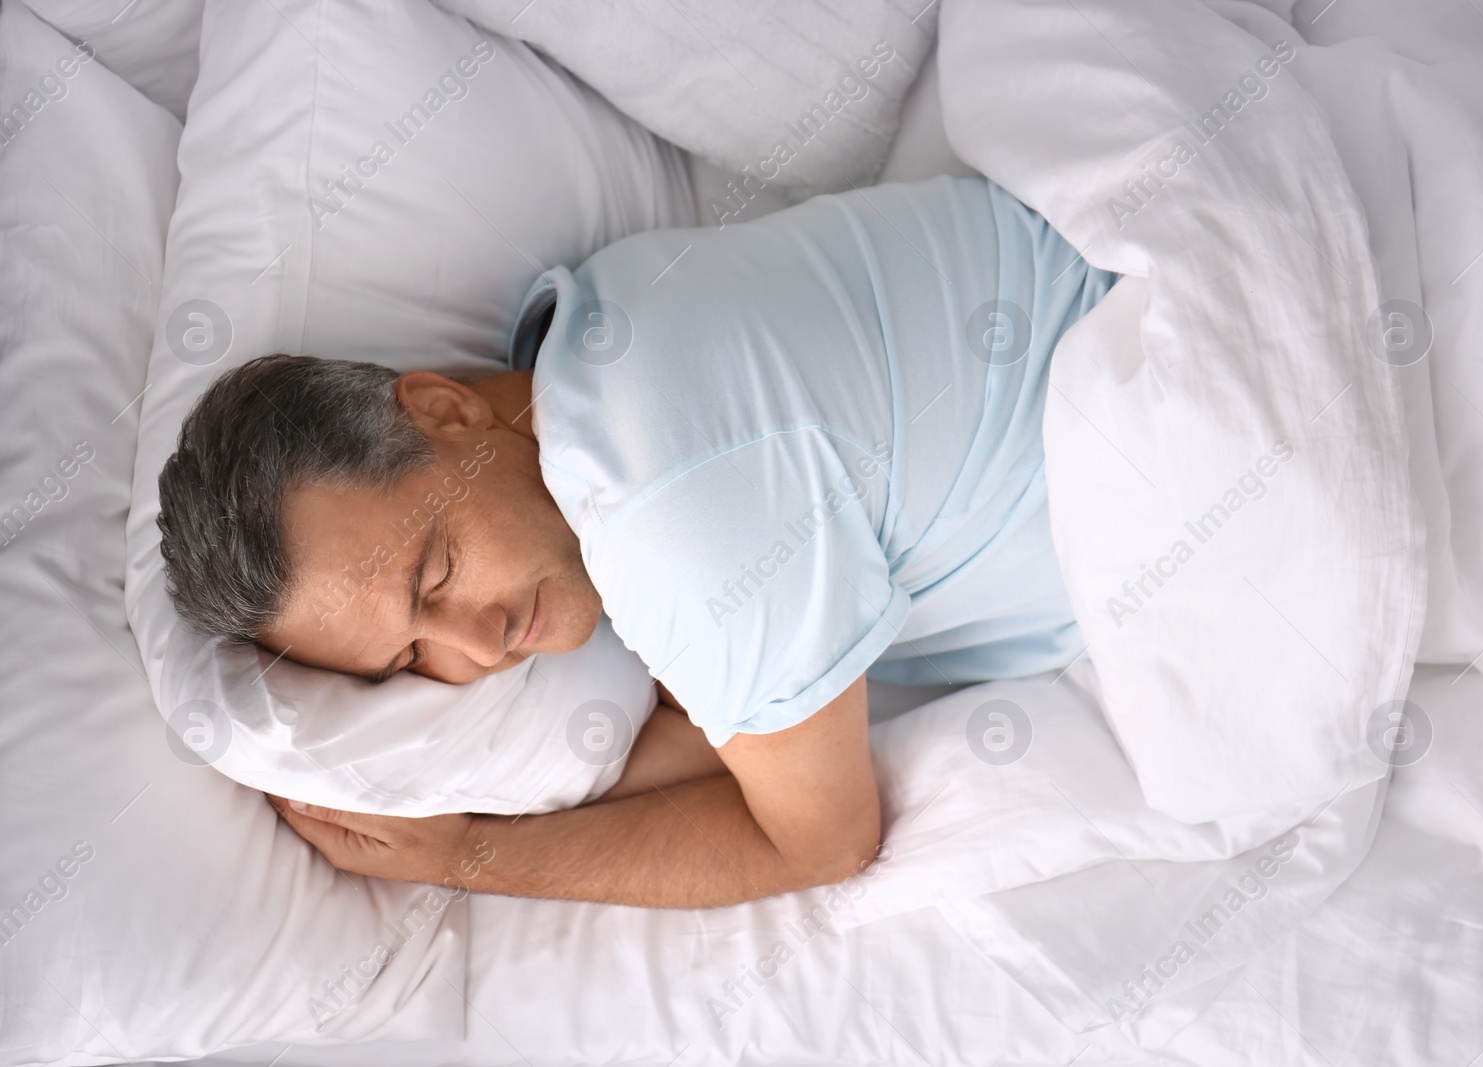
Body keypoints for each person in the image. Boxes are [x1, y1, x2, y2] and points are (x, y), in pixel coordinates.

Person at [156, 175, 1118, 908]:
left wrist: (464, 857)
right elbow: (730, 727)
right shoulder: (587, 335)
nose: (479, 646)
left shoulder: (669, 512)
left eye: (434, 573)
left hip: (1156, 445)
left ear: (441, 407)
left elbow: (825, 842)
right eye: (412, 658)